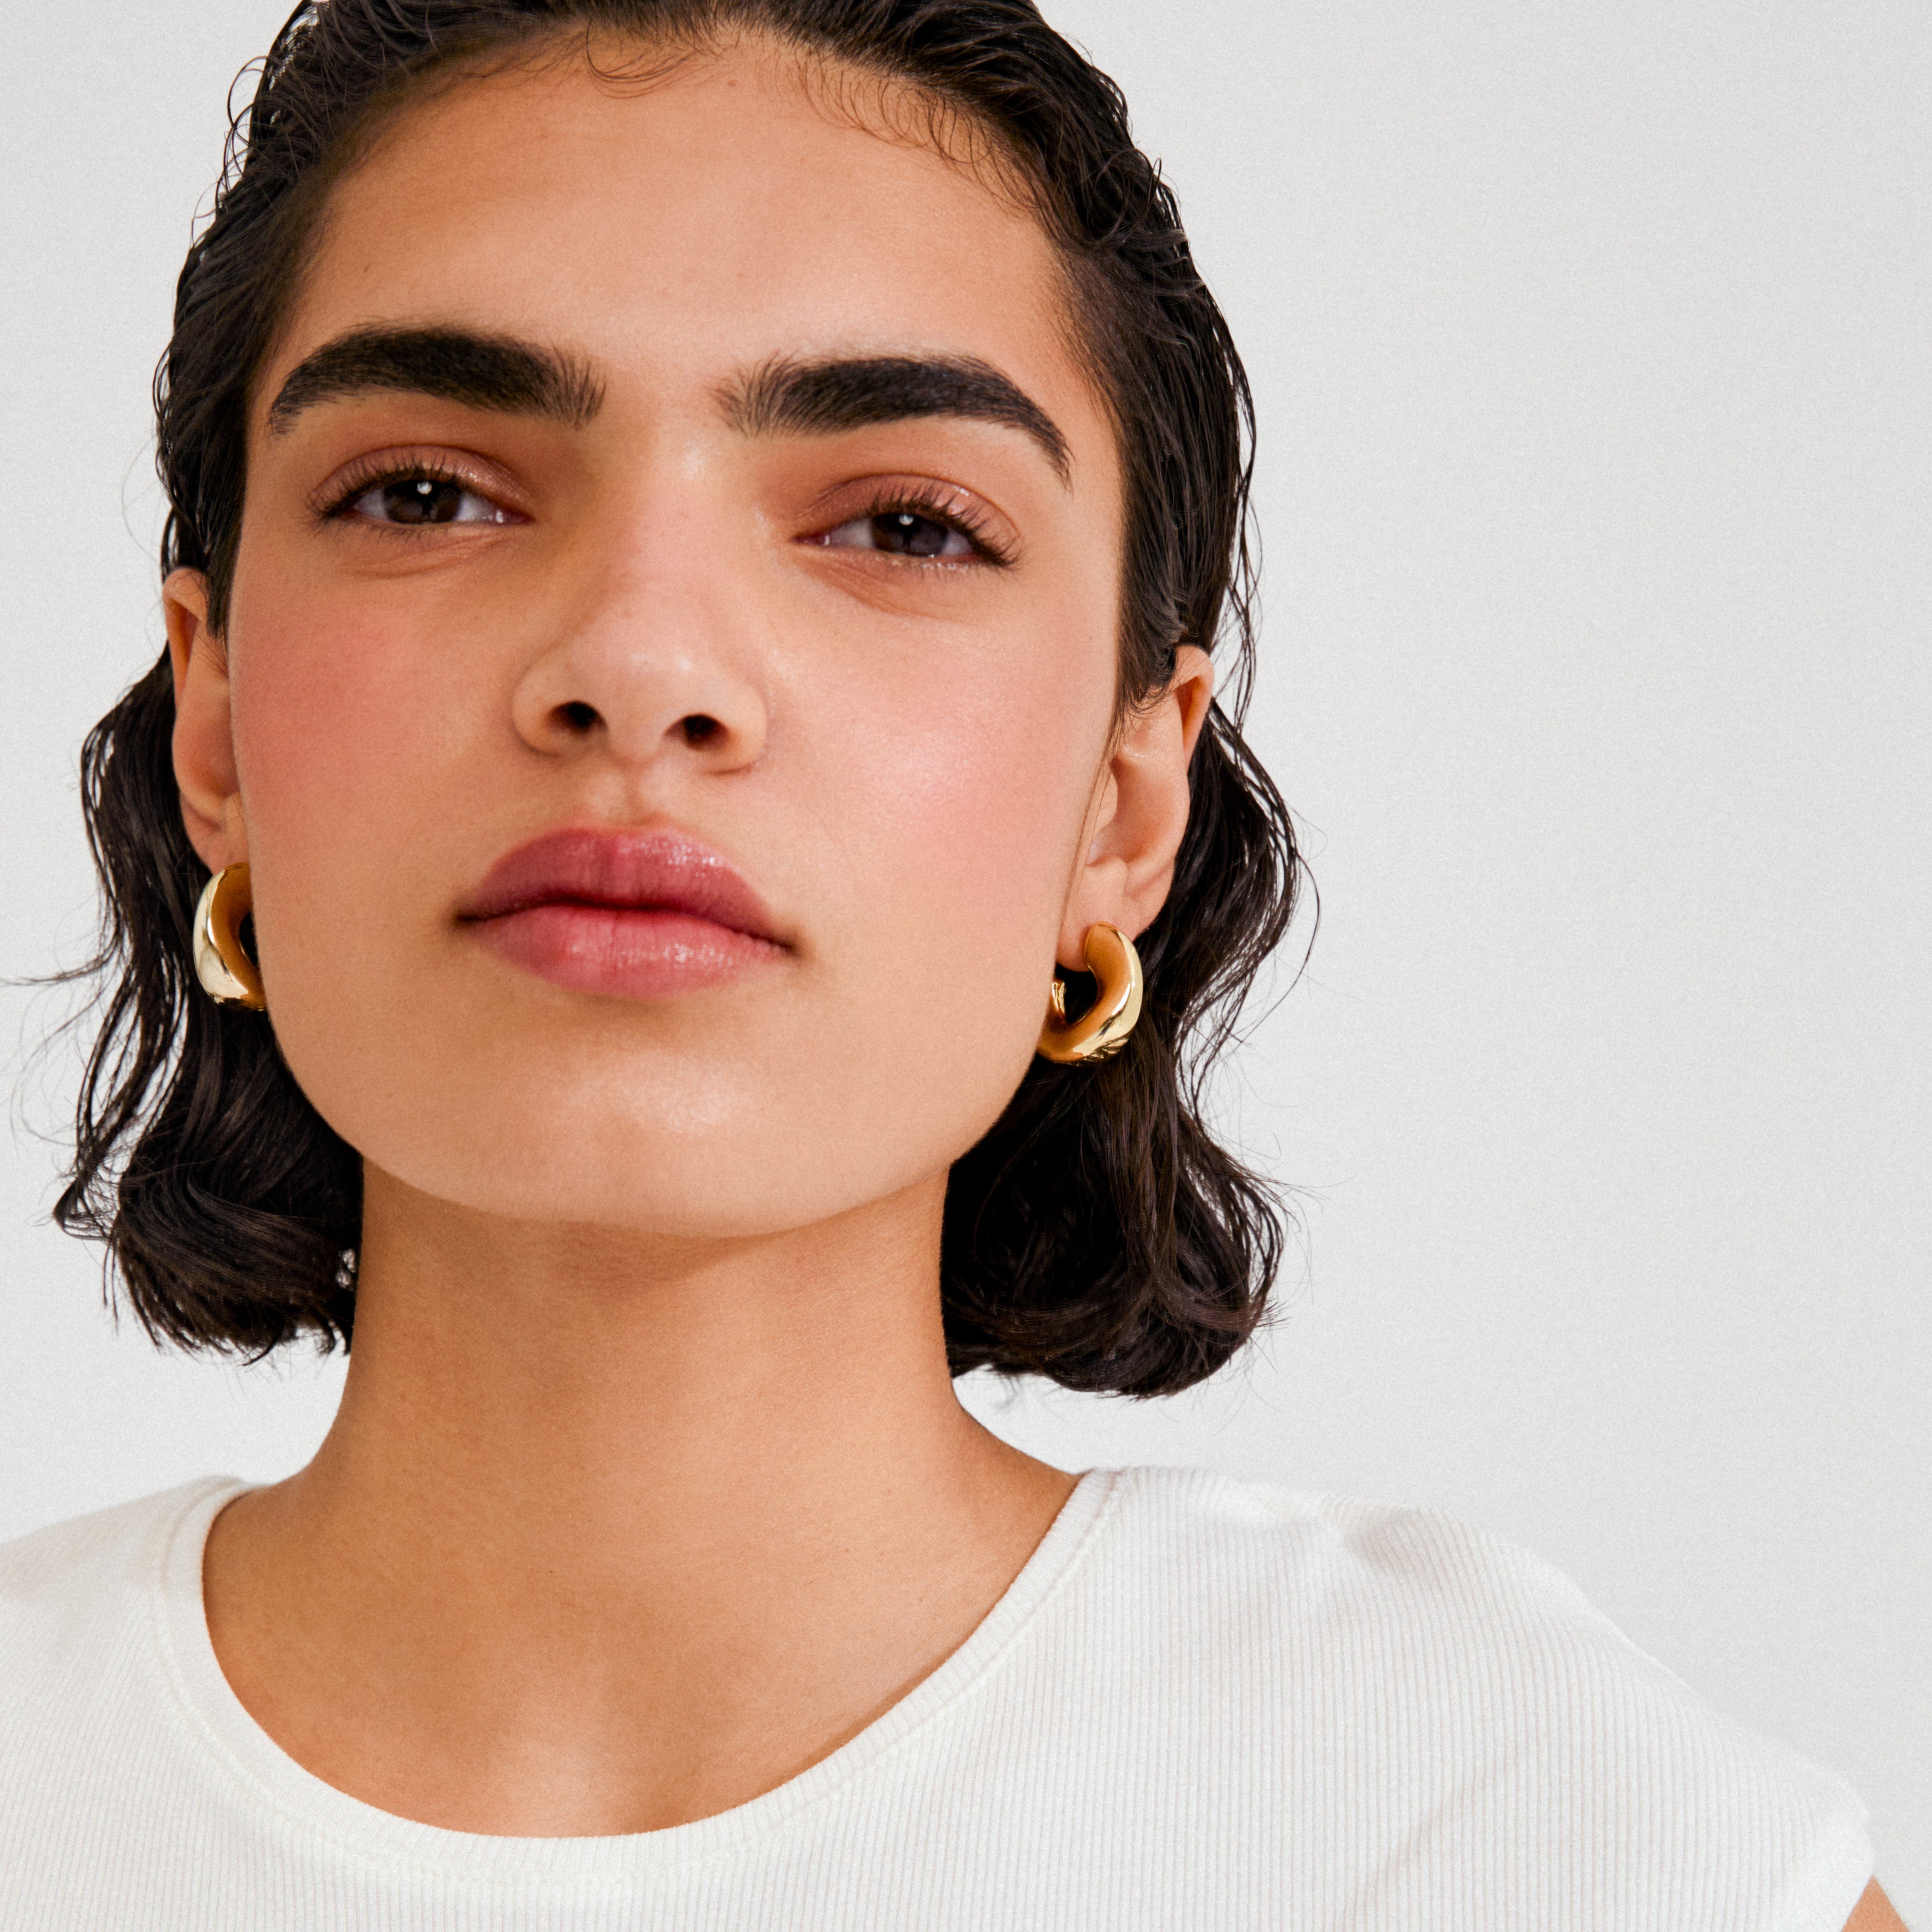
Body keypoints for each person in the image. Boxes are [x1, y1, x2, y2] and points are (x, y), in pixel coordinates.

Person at [0, 1, 1904, 1925]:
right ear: (215, 721)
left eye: (904, 526)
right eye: (427, 495)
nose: (640, 664)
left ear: (1125, 806)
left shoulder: (1541, 1839)